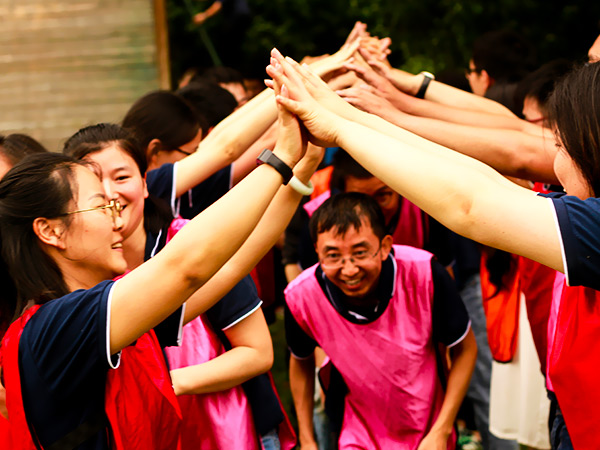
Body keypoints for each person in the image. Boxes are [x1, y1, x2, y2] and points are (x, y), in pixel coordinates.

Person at [266, 47, 600, 450]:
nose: (550, 160)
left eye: (560, 146)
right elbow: (478, 176)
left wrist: (343, 128)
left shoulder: (595, 226)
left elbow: (471, 203)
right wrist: (348, 119)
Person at [0, 74, 310, 448]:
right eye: (100, 205)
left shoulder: (109, 314)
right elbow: (186, 267)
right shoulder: (55, 328)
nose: (116, 218)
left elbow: (228, 266)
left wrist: (301, 166)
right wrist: (280, 159)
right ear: (50, 231)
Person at [62, 123, 308, 449]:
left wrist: (165, 383)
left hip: (227, 429)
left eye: (121, 177)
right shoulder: (79, 275)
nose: (109, 193)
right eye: (95, 184)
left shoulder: (191, 242)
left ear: (146, 183)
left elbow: (256, 350)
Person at [284, 192, 476, 449]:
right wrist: (307, 439)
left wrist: (442, 429)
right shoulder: (301, 297)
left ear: (385, 246)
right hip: (356, 432)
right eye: (333, 256)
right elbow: (300, 361)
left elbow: (465, 349)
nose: (349, 269)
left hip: (427, 427)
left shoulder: (425, 274)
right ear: (317, 251)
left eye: (360, 253)